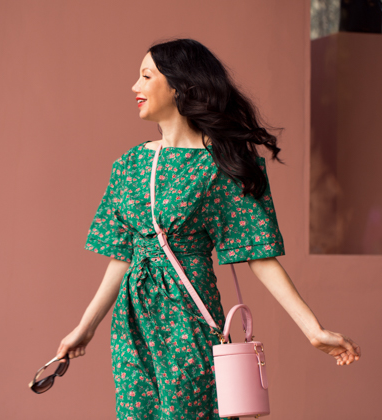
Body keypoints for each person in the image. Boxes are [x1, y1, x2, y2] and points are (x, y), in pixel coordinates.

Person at [56, 38, 361, 420]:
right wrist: (85, 328)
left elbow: (259, 256)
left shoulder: (221, 164)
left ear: (181, 86)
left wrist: (313, 330)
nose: (135, 87)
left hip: (188, 318)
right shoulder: (129, 165)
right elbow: (123, 257)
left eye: (146, 76)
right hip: (132, 324)